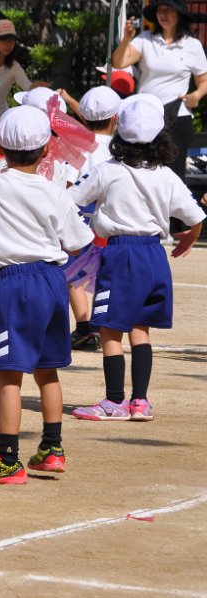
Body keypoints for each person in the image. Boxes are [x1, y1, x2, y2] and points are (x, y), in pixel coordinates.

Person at [0, 106, 95, 484]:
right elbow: (79, 241)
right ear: (47, 149)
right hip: (52, 279)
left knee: (9, 373)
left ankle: (7, 458)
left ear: (0, 147)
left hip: (14, 283)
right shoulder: (54, 191)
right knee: (47, 370)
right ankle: (52, 449)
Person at [69, 98, 204, 422]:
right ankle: (140, 401)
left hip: (120, 253)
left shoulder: (108, 170)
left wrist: (74, 237)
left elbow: (71, 200)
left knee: (110, 330)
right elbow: (195, 216)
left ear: (120, 134)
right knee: (141, 329)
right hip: (154, 255)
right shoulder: (166, 175)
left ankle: (115, 401)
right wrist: (189, 237)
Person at [111, 0, 207, 220]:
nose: (163, 14)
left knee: (174, 171)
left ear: (179, 14)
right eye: (160, 10)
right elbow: (119, 62)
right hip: (144, 116)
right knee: (139, 167)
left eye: (168, 10)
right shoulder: (145, 39)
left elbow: (203, 81)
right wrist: (127, 38)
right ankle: (140, 219)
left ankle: (174, 224)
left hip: (177, 115)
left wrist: (196, 96)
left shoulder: (192, 45)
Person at [59, 85, 121, 351]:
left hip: (82, 220)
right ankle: (102, 325)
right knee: (107, 276)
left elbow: (68, 185)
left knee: (74, 274)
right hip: (113, 221)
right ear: (116, 118)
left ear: (83, 117)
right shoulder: (122, 148)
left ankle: (85, 329)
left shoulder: (78, 145)